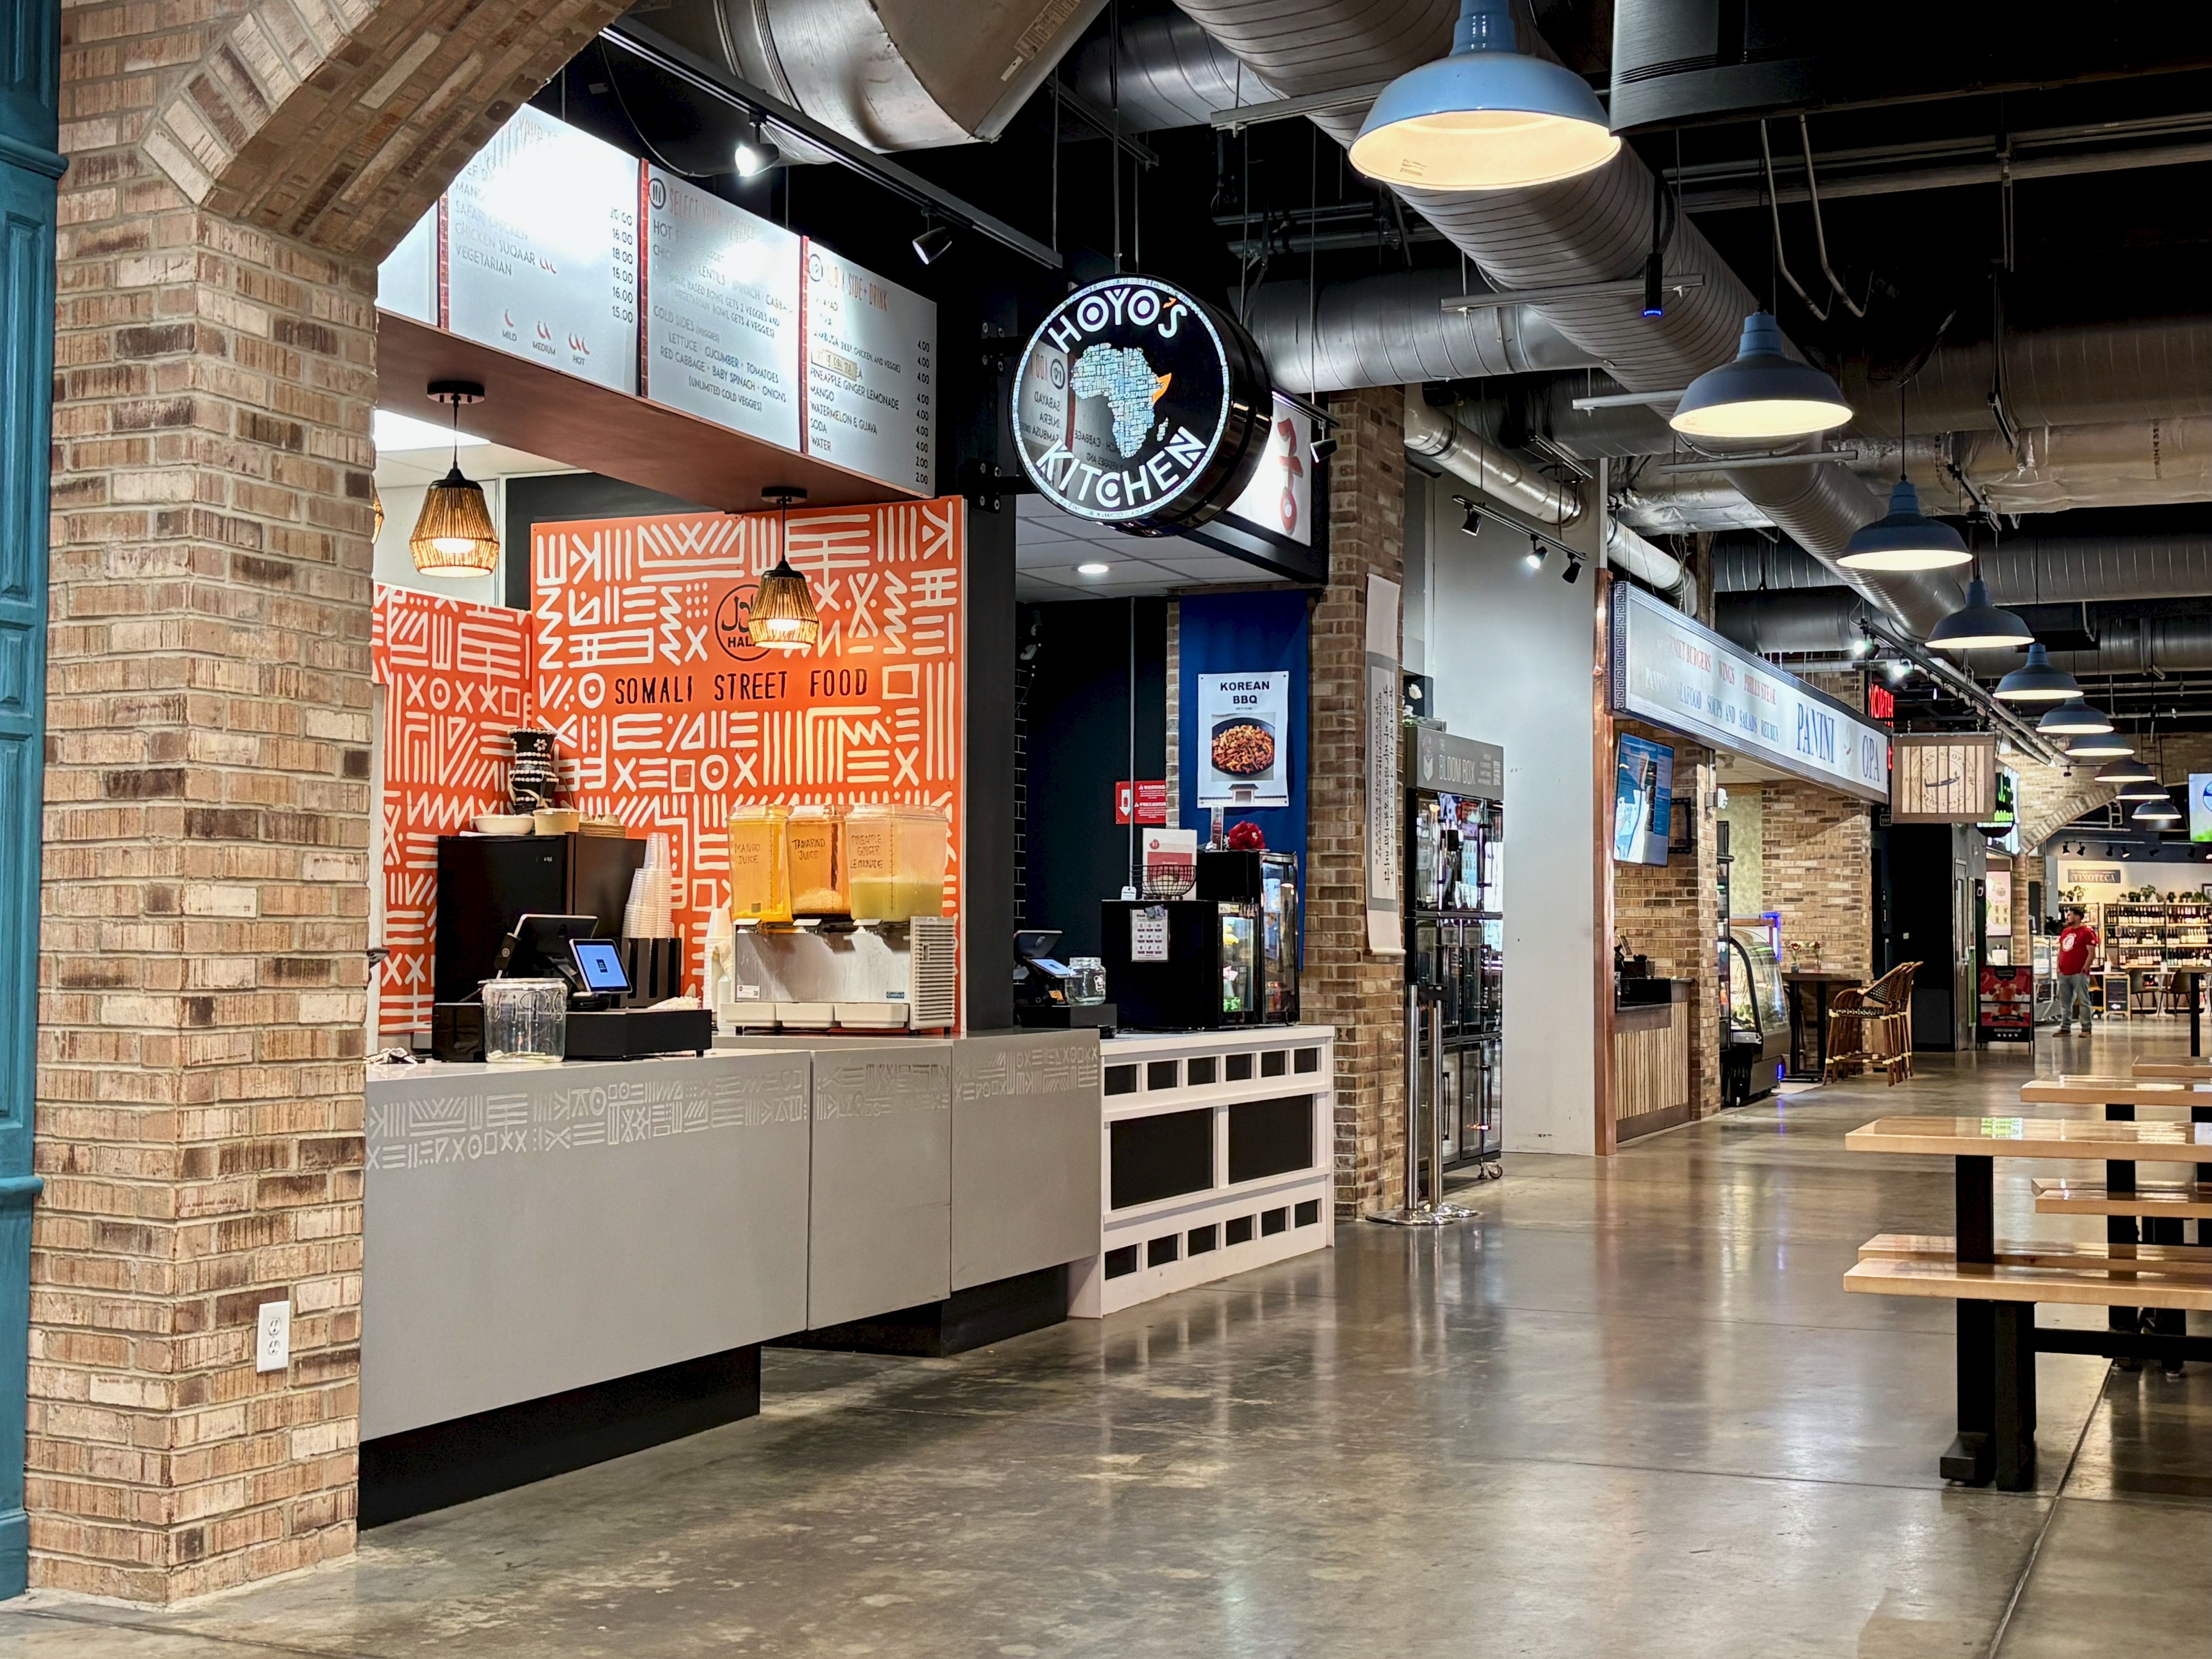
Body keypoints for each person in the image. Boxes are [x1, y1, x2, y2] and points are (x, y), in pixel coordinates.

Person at [2054, 905, 2100, 1036]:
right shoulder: (2065, 932)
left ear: (2078, 917)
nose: (2068, 917)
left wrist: (2085, 968)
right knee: (2065, 1002)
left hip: (2079, 973)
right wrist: (2058, 967)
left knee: (2084, 1001)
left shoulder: (2087, 933)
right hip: (2064, 972)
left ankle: (2086, 1028)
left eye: (2070, 915)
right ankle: (2065, 1027)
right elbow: (2062, 950)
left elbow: (2092, 953)